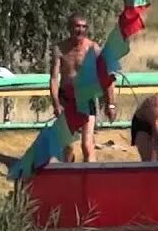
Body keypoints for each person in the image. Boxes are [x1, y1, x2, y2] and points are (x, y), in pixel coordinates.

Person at [50, 13, 116, 162]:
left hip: (86, 98)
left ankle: (90, 179)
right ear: (69, 28)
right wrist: (56, 103)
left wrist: (110, 103)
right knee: (67, 146)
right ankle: (68, 173)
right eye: (76, 26)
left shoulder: (92, 48)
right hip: (66, 98)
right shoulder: (60, 49)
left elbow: (106, 76)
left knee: (87, 144)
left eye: (83, 27)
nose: (80, 30)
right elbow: (54, 78)